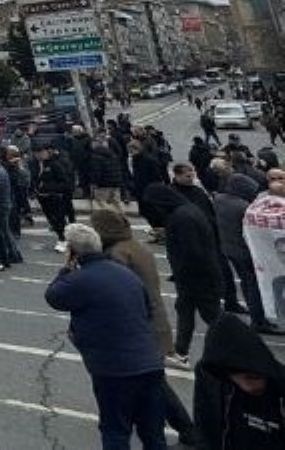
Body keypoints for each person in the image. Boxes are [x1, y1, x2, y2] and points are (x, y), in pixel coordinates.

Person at [45, 223, 168, 449]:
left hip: (114, 368)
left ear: (72, 251)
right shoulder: (125, 273)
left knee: (115, 430)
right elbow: (147, 310)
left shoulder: (79, 280)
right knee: (152, 432)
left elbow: (53, 296)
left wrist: (65, 268)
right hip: (149, 362)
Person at [90, 210, 197, 442]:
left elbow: (115, 294)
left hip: (138, 327)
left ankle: (187, 429)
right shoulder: (135, 246)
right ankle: (184, 429)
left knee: (153, 384)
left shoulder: (116, 255)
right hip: (155, 322)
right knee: (153, 382)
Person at [142, 183, 225, 363]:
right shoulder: (188, 211)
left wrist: (182, 273)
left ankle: (237, 347)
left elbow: (191, 252)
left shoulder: (181, 218)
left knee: (212, 316)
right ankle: (180, 351)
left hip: (196, 277)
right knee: (186, 311)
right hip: (196, 276)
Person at [191, 313, 285, 449]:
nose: (254, 386)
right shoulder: (208, 376)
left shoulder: (280, 385)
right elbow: (203, 427)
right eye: (249, 378)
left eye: (259, 377)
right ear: (227, 374)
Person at [215, 174, 285, 334]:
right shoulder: (244, 207)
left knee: (247, 284)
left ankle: (257, 317)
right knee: (254, 284)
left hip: (229, 248)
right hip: (246, 251)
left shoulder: (220, 200)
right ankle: (259, 320)